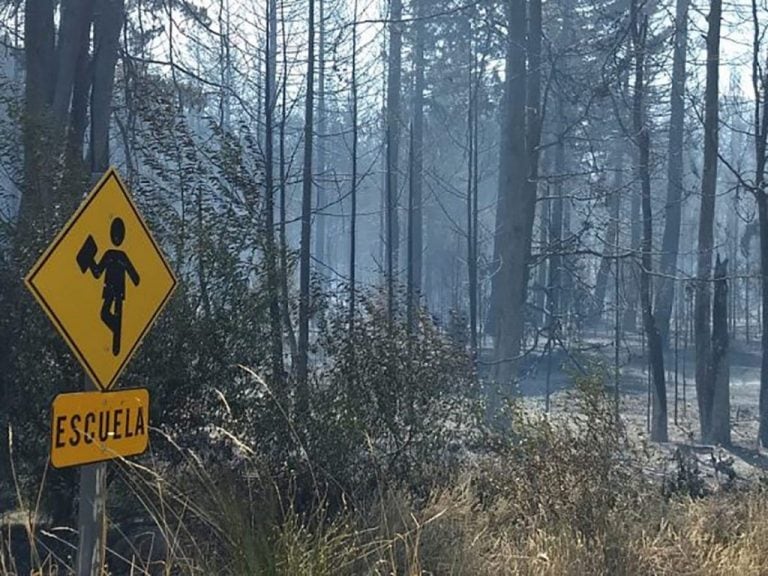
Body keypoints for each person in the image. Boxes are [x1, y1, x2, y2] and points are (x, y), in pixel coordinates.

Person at [90, 218, 140, 355]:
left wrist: (90, 261)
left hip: (117, 291)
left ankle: (116, 339)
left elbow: (135, 277)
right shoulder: (110, 254)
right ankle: (115, 329)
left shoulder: (119, 256)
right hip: (111, 290)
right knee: (104, 313)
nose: (117, 238)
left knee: (115, 313)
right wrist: (89, 260)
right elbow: (97, 272)